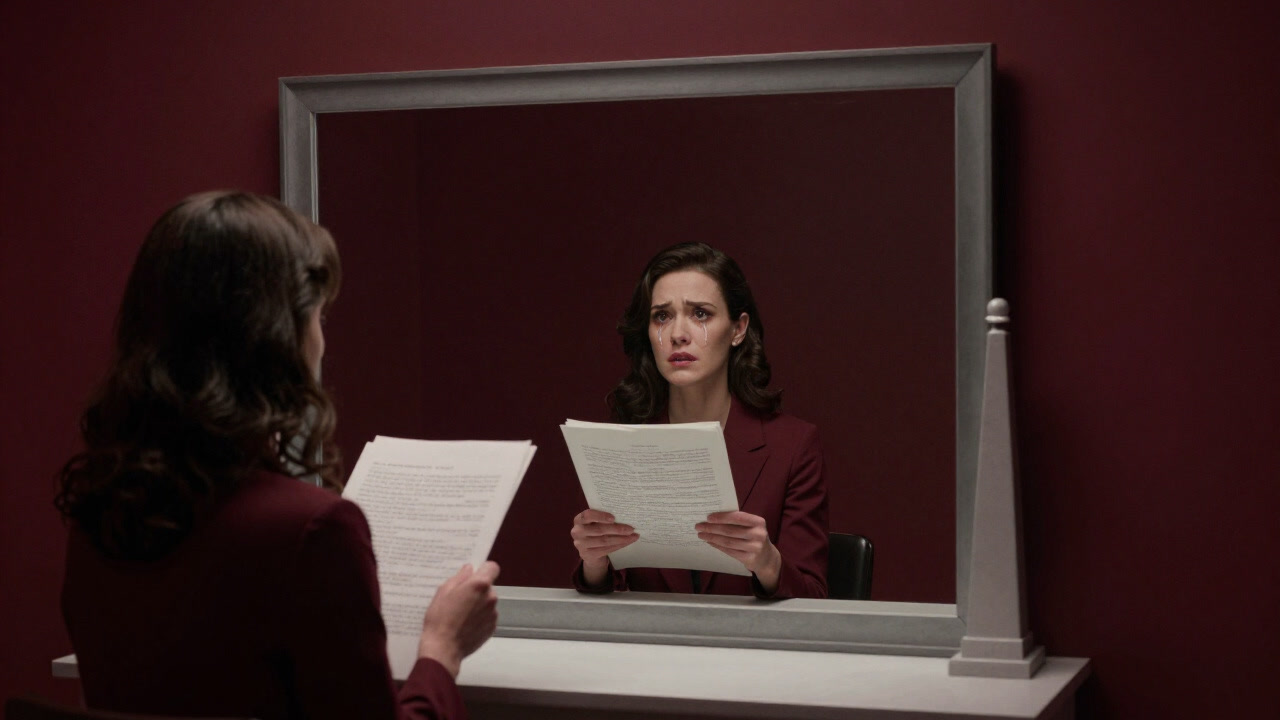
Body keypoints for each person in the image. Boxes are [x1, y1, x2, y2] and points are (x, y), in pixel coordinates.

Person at [56, 190, 495, 720]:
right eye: (318, 318)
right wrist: (441, 651)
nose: (321, 341)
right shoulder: (313, 531)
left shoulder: (98, 516)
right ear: (277, 339)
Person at [570, 242, 829, 599]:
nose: (678, 333)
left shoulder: (793, 445)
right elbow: (613, 599)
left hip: (753, 650)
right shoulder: (624, 443)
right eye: (662, 316)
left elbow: (815, 599)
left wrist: (768, 561)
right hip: (647, 648)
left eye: (701, 314)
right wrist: (594, 562)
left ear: (738, 329)